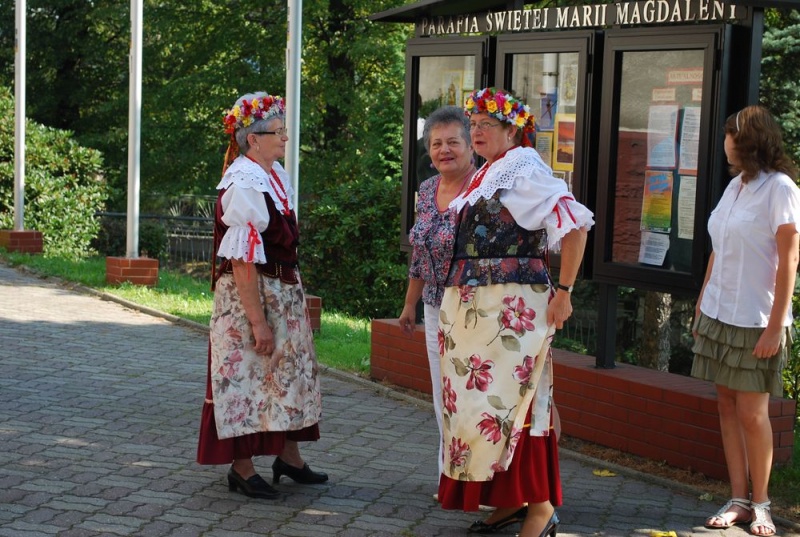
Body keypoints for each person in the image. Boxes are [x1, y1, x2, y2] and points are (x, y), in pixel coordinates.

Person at [437, 87, 594, 536]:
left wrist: (564, 291)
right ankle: (511, 499)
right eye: (475, 124)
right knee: (475, 410)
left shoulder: (524, 170)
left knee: (514, 406)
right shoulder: (489, 173)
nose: (477, 131)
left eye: (487, 124)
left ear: (512, 129)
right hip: (473, 311)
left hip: (511, 309)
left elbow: (576, 224)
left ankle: (540, 507)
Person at [197, 92, 328, 499]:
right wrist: (257, 321)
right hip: (250, 297)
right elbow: (241, 263)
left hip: (282, 292)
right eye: (279, 132)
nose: (286, 138)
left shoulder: (272, 175)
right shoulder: (244, 183)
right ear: (253, 139)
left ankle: (289, 457)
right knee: (247, 378)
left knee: (287, 376)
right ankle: (241, 467)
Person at [692, 105, 799, 537]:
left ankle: (762, 505)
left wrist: (776, 325)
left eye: (729, 135)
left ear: (749, 140)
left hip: (757, 316)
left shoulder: (781, 189)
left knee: (753, 413)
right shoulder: (736, 186)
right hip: (720, 311)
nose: (724, 143)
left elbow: (790, 257)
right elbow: (718, 248)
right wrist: (701, 304)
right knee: (726, 406)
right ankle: (737, 499)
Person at [399, 106, 476, 478]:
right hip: (433, 305)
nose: (444, 150)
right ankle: (450, 475)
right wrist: (409, 304)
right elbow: (421, 250)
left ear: (470, 145)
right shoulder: (428, 189)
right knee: (442, 393)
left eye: (453, 142)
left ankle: (479, 476)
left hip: (475, 309)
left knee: (472, 394)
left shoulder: (484, 186)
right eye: (436, 143)